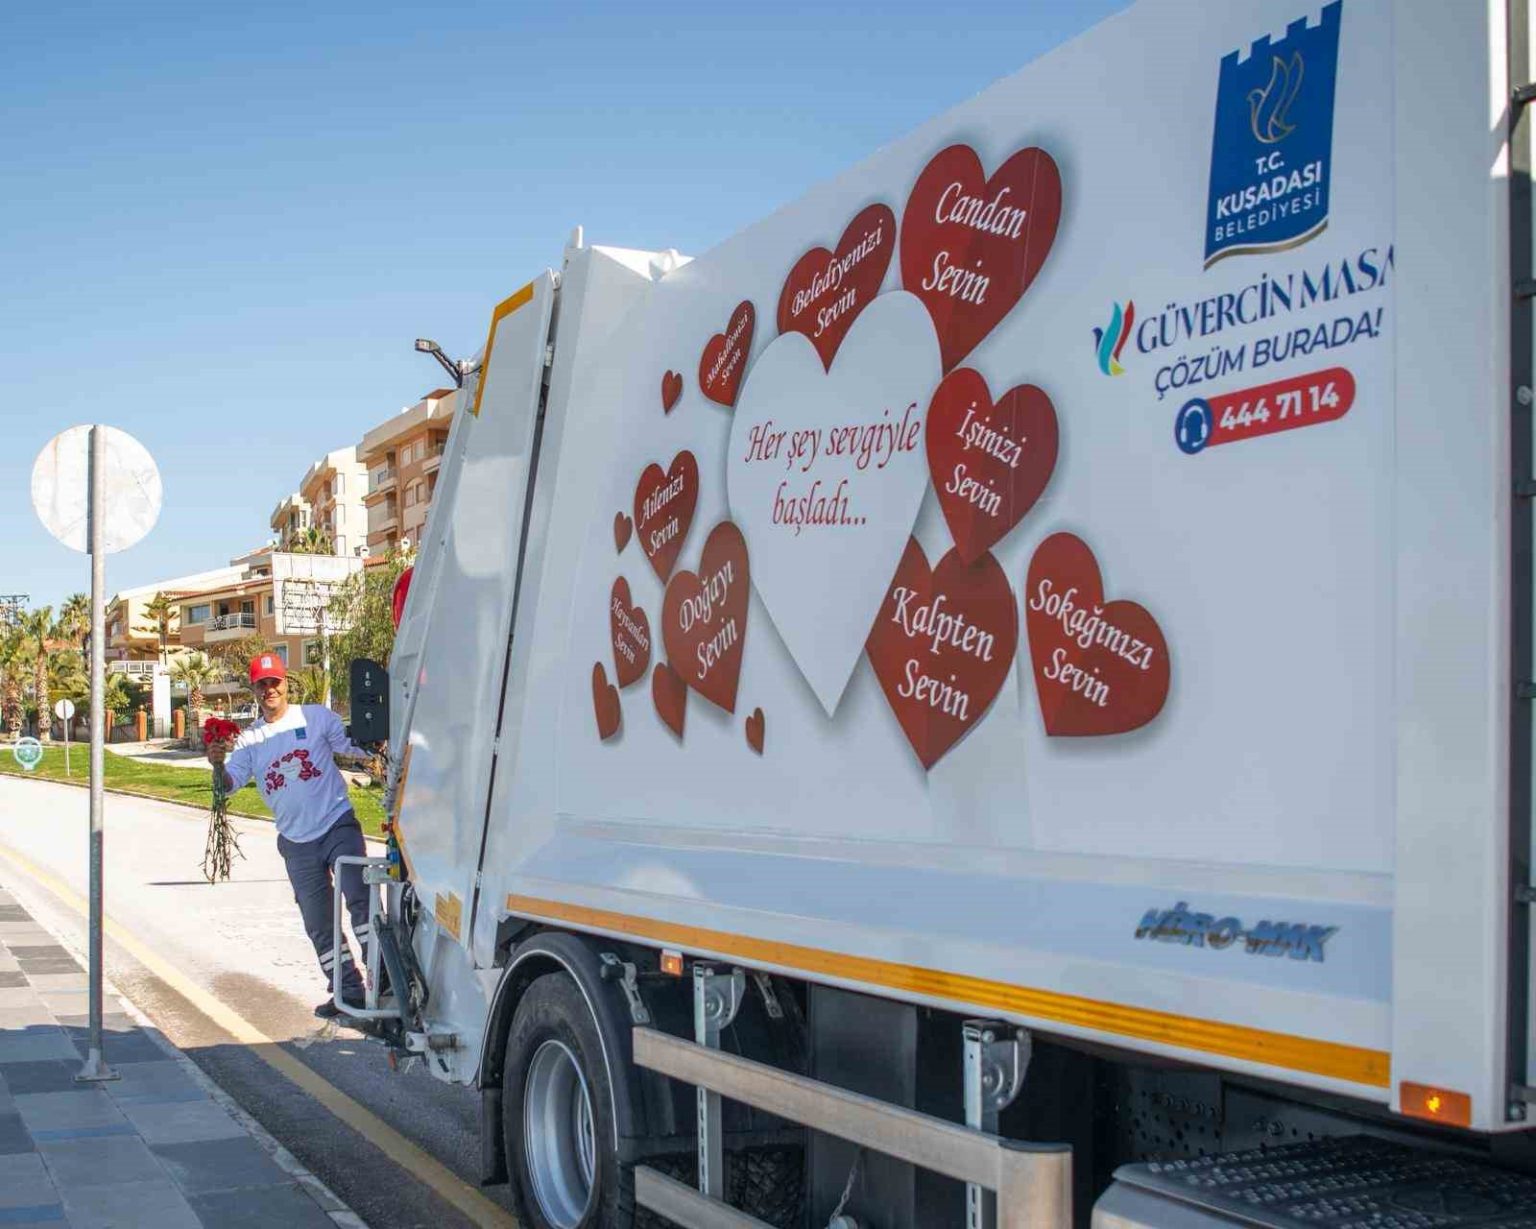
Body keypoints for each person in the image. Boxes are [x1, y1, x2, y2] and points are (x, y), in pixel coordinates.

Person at [206, 652, 381, 1018]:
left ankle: (385, 982)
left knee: (361, 901)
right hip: (296, 842)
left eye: (275, 682)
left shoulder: (315, 717)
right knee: (319, 923)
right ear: (254, 690)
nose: (269, 689)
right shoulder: (250, 740)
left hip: (337, 823)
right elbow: (227, 786)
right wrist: (218, 765)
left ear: (286, 684)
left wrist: (379, 740)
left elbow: (353, 746)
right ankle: (347, 992)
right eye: (262, 684)